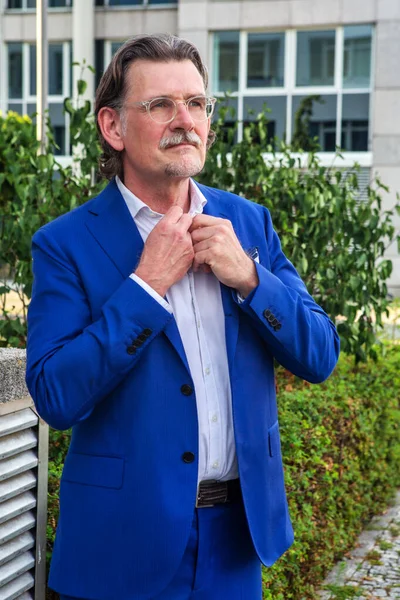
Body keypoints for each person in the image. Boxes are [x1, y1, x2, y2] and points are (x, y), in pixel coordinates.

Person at [26, 33, 340, 600]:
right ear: (113, 127)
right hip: (120, 548)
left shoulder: (247, 225)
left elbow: (320, 354)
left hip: (237, 543)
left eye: (197, 103)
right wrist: (146, 287)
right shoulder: (65, 244)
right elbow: (55, 394)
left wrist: (249, 277)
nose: (185, 120)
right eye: (160, 105)